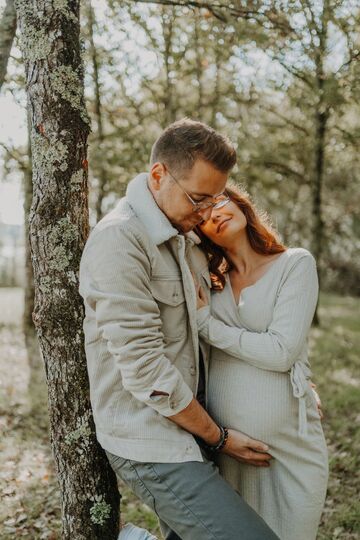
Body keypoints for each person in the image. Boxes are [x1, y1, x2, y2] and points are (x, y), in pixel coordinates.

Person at [79, 118, 279, 539]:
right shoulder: (120, 240)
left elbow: (217, 330)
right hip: (151, 438)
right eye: (199, 199)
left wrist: (293, 381)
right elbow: (146, 370)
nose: (206, 212)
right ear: (158, 175)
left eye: (216, 200)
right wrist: (220, 438)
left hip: (197, 427)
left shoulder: (184, 236)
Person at [193, 184, 329, 540]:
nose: (215, 214)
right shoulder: (209, 283)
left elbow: (281, 352)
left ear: (241, 205)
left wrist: (208, 325)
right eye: (202, 215)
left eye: (219, 202)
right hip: (228, 448)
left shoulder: (294, 264)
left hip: (289, 452)